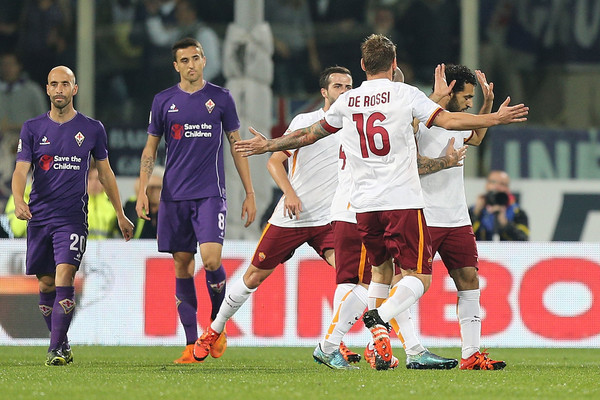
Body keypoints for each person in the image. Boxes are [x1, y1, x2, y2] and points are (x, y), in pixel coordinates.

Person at [233, 34, 528, 370]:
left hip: (363, 207)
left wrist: (269, 145)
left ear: (362, 65)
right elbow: (447, 120)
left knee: (379, 274)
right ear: (394, 63)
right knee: (418, 277)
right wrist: (494, 118)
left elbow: (309, 134)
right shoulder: (404, 94)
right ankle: (380, 318)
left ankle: (346, 345)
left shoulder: (348, 101)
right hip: (400, 201)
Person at [192, 66, 352, 364]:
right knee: (253, 277)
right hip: (292, 217)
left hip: (329, 220)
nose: (344, 92)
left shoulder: (356, 126)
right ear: (324, 92)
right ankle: (214, 329)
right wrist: (289, 193)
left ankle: (335, 342)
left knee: (349, 278)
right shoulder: (306, 121)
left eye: (348, 87)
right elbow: (274, 162)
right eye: (338, 86)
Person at [314, 67, 463, 370]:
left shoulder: (353, 113)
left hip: (363, 206)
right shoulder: (369, 114)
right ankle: (329, 345)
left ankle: (404, 348)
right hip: (359, 207)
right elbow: (407, 131)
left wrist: (435, 98)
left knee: (387, 279)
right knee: (362, 284)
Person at [136, 37, 256, 364]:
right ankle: (191, 344)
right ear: (176, 66)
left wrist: (249, 192)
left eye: (196, 58)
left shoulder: (221, 98)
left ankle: (216, 327)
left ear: (204, 60)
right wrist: (143, 189)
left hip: (209, 194)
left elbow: (236, 146)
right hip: (174, 196)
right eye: (185, 60)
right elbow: (150, 149)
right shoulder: (163, 101)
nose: (191, 64)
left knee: (212, 260)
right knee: (182, 265)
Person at [11, 65, 133, 366]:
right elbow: (21, 170)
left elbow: (105, 173)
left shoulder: (92, 129)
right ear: (47, 89)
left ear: (74, 89)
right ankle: (62, 342)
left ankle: (54, 350)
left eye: (65, 84)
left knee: (65, 276)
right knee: (45, 286)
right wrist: (18, 199)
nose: (59, 90)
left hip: (72, 219)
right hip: (40, 218)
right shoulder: (32, 128)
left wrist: (120, 213)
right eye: (54, 84)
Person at [411, 64, 507, 369]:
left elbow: (475, 138)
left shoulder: (460, 121)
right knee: (412, 284)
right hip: (424, 215)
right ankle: (397, 344)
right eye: (466, 97)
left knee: (469, 279)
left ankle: (471, 354)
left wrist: (487, 105)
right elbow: (409, 166)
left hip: (456, 218)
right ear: (449, 91)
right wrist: (445, 161)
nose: (469, 103)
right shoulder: (417, 121)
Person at [0, 52, 47, 210]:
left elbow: (45, 123)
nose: (7, 69)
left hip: (28, 145)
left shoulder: (32, 91)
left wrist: (17, 128)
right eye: (4, 65)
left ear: (19, 66)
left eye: (10, 64)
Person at [469, 169, 529, 241]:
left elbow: (524, 241)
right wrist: (476, 213)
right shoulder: (473, 211)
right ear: (486, 185)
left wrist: (505, 223)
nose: (497, 187)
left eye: (502, 184)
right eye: (493, 182)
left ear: (508, 189)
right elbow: (464, 237)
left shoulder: (518, 213)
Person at [124, 166, 164, 239]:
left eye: (159, 187)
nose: (155, 192)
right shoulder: (133, 205)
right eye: (151, 187)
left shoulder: (170, 210)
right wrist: (140, 194)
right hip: (139, 245)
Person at [87, 165, 119, 239]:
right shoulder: (76, 202)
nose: (94, 183)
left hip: (107, 245)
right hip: (81, 245)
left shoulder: (113, 203)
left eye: (98, 179)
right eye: (89, 178)